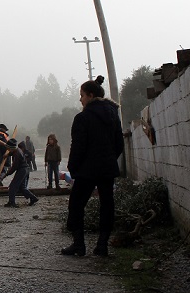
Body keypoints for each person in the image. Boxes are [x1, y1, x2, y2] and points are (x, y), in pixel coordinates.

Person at [61, 75, 124, 257]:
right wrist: (110, 159)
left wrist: (73, 167)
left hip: (86, 171)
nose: (80, 99)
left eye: (81, 95)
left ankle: (79, 245)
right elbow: (119, 144)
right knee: (107, 205)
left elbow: (78, 146)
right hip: (107, 169)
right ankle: (102, 245)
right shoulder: (113, 116)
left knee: (76, 205)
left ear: (90, 95)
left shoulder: (83, 117)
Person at [1, 139, 38, 207]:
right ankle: (33, 198)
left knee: (13, 186)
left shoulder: (17, 154)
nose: (8, 150)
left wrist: (6, 174)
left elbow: (14, 167)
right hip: (26, 169)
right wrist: (7, 155)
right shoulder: (17, 150)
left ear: (11, 147)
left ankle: (11, 202)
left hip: (22, 170)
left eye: (8, 148)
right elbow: (12, 152)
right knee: (22, 187)